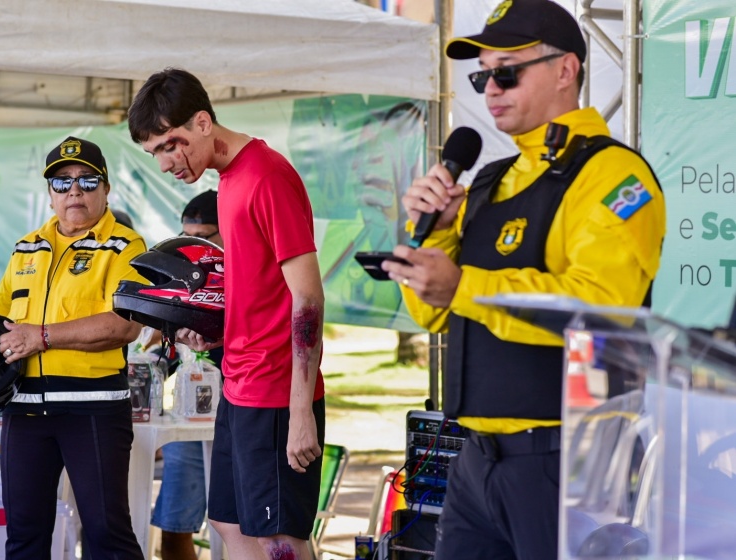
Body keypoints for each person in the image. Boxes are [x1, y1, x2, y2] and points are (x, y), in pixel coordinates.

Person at [381, 1, 666, 558]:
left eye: (507, 71)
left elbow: (601, 309)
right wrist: (435, 238)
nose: (491, 88)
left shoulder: (613, 175)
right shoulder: (490, 179)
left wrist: (463, 285)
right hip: (478, 461)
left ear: (566, 70)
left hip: (572, 462)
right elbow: (431, 315)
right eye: (482, 75)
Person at [0, 136, 148, 560]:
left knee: (106, 535)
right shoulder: (27, 247)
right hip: (23, 411)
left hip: (92, 411)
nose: (74, 191)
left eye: (86, 180)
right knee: (24, 535)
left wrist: (41, 336)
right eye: (61, 182)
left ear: (106, 188)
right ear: (49, 194)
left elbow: (124, 325)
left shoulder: (126, 247)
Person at [127, 68, 326, 560]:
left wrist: (300, 411)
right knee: (228, 523)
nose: (166, 162)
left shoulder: (266, 175)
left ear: (202, 122)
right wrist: (216, 335)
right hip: (240, 385)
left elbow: (308, 300)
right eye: (155, 152)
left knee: (279, 538)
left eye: (171, 145)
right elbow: (258, 291)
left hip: (277, 392)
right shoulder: (229, 181)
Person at [150, 189, 223, 560]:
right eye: (186, 237)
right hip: (190, 420)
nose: (193, 249)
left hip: (245, 418)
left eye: (203, 238)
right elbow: (160, 355)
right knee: (173, 528)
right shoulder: (184, 282)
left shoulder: (253, 277)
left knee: (248, 532)